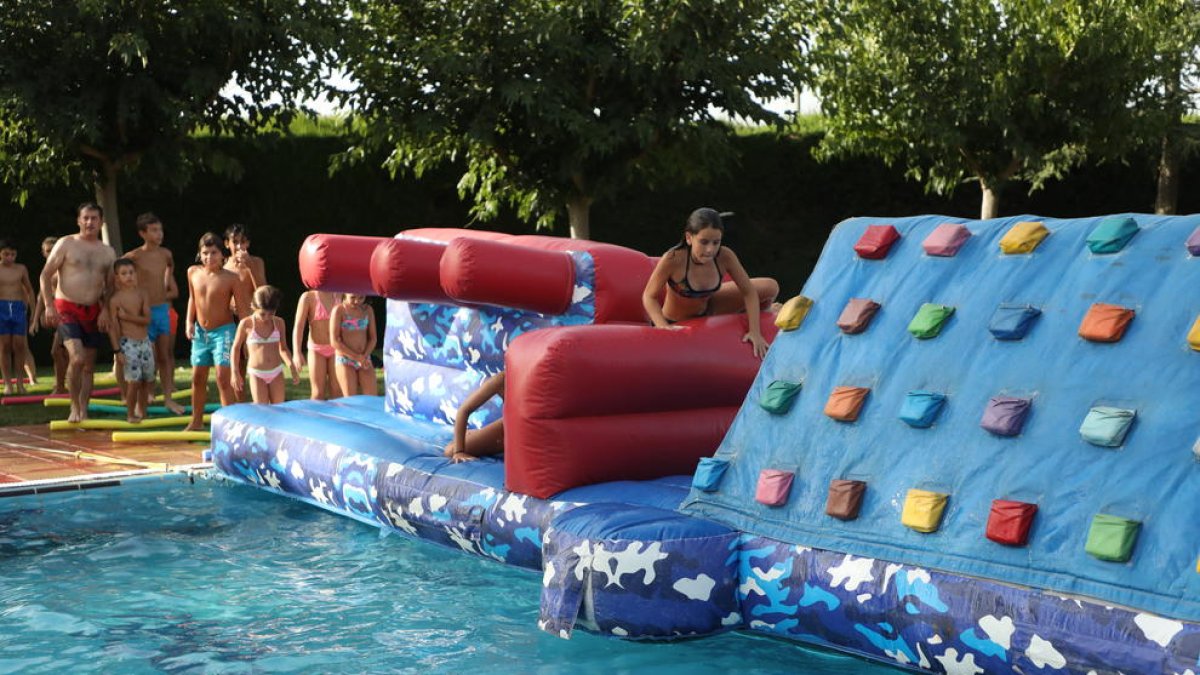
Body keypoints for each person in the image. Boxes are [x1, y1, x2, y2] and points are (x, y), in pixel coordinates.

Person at [641, 208, 779, 359]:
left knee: (770, 286)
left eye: (716, 242)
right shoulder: (673, 259)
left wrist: (755, 332)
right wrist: (663, 327)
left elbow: (749, 291)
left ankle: (763, 314)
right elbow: (649, 296)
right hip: (677, 320)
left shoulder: (725, 256)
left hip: (709, 309)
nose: (710, 250)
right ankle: (753, 313)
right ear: (689, 238)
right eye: (704, 242)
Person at [40, 203, 117, 422]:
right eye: (85, 218)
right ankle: (73, 405)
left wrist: (105, 310)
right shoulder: (66, 243)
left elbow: (111, 286)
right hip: (67, 307)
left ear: (101, 222)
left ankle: (84, 408)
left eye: (94, 218)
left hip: (93, 309)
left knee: (89, 365)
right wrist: (48, 305)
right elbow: (45, 275)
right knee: (77, 358)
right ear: (79, 220)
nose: (89, 222)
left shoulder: (107, 252)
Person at [184, 233, 251, 431]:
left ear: (222, 255)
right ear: (199, 254)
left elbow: (243, 311)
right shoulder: (193, 272)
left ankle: (228, 426)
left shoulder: (231, 278)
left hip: (224, 332)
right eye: (205, 253)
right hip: (200, 333)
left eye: (214, 253)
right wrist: (189, 321)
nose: (209, 257)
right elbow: (192, 298)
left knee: (223, 377)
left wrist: (245, 340)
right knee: (197, 377)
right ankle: (196, 421)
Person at [123, 213, 184, 414]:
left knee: (165, 355)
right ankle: (142, 403)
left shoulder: (166, 254)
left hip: (161, 310)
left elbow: (169, 270)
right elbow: (117, 277)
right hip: (143, 312)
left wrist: (166, 289)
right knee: (143, 357)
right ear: (143, 233)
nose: (159, 234)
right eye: (154, 230)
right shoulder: (133, 257)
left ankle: (168, 399)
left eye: (160, 230)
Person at [231, 285, 299, 404]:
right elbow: (236, 349)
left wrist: (291, 366)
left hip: (276, 371)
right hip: (257, 373)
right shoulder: (246, 324)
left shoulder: (279, 323)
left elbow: (283, 349)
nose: (267, 317)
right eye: (262, 314)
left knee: (278, 407)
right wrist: (235, 372)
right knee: (262, 409)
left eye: (271, 314)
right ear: (253, 307)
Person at [108, 259, 154, 423]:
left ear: (136, 274)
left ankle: (142, 411)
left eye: (131, 272)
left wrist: (126, 316)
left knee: (146, 380)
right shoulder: (115, 300)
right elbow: (112, 327)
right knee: (133, 382)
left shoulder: (143, 294)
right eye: (124, 273)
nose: (128, 276)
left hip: (145, 342)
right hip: (128, 344)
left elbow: (147, 320)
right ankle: (130, 414)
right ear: (117, 277)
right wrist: (117, 351)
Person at [442, 372, 505, 463]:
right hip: (507, 431)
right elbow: (464, 410)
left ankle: (473, 434)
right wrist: (459, 451)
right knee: (450, 451)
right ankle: (471, 434)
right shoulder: (503, 379)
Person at [31, 236, 67, 394]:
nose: (51, 253)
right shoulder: (46, 271)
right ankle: (61, 384)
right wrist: (34, 320)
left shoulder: (65, 268)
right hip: (57, 316)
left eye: (54, 250)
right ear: (43, 253)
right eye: (48, 251)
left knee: (58, 351)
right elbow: (41, 296)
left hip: (68, 314)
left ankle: (61, 386)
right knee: (61, 352)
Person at [292, 289, 343, 400]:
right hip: (317, 349)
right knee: (317, 393)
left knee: (337, 392)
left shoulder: (339, 293)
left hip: (336, 348)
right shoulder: (308, 297)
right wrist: (296, 352)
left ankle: (336, 417)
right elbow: (299, 326)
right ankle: (316, 417)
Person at [0, 239, 35, 395]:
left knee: (20, 345)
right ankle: (8, 384)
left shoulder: (21, 269)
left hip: (18, 307)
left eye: (13, 254)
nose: (10, 257)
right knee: (4, 346)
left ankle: (20, 383)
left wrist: (33, 312)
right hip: (2, 307)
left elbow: (29, 290)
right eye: (6, 254)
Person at [329, 293, 377, 397]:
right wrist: (356, 357)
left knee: (372, 398)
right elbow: (334, 341)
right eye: (353, 298)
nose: (357, 301)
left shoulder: (367, 310)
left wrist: (364, 357)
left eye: (361, 297)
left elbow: (373, 338)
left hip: (364, 358)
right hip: (345, 360)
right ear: (345, 294)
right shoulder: (339, 310)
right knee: (351, 400)